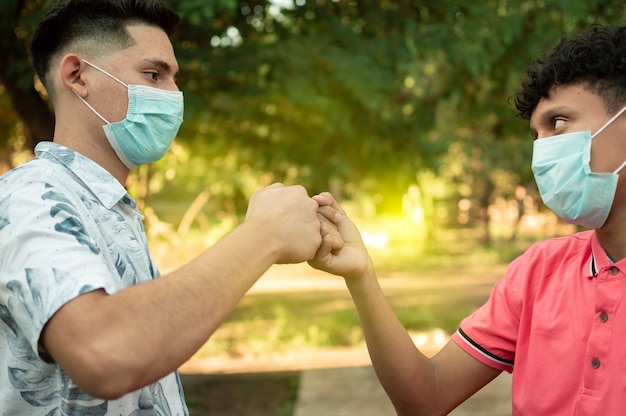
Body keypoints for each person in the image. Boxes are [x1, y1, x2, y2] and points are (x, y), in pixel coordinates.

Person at [0, 0, 339, 414]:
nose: (174, 95)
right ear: (77, 76)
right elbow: (103, 354)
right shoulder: (32, 196)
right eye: (153, 74)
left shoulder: (109, 208)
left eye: (173, 79)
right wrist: (265, 234)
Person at [309, 23, 626, 415]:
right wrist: (361, 275)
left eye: (558, 124)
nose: (542, 152)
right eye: (535, 135)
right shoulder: (536, 273)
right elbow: (426, 397)